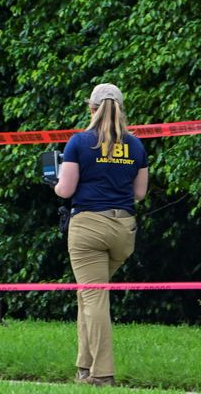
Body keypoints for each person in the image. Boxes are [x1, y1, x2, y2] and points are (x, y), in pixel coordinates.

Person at [54, 83, 149, 386]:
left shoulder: (79, 142)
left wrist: (53, 183)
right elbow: (140, 194)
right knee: (88, 296)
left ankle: (102, 374)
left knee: (94, 299)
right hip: (123, 230)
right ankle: (83, 368)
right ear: (121, 109)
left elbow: (65, 190)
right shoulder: (136, 145)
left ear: (91, 108)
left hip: (88, 229)